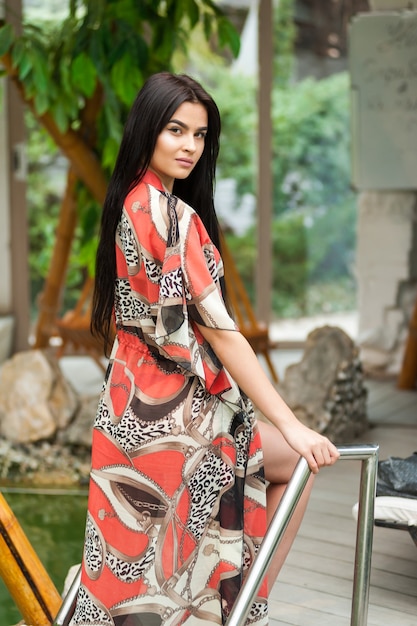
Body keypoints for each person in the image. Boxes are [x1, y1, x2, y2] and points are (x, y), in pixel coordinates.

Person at [69, 72, 339, 626]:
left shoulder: (130, 206)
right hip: (178, 418)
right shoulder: (174, 216)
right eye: (175, 130)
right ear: (148, 130)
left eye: (199, 134)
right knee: (295, 465)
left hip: (127, 411)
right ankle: (239, 612)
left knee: (133, 565)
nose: (190, 146)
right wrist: (290, 423)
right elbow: (219, 331)